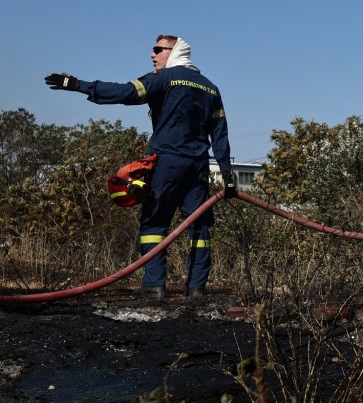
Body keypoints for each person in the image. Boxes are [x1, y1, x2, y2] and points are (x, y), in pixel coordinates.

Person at [45, 35, 235, 299]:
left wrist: (78, 85)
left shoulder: (163, 79)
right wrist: (227, 174)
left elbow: (126, 92)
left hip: (167, 162)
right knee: (199, 228)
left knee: (154, 223)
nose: (152, 54)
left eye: (158, 49)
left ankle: (154, 286)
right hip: (198, 167)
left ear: (174, 51)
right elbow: (220, 133)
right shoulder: (211, 88)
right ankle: (196, 289)